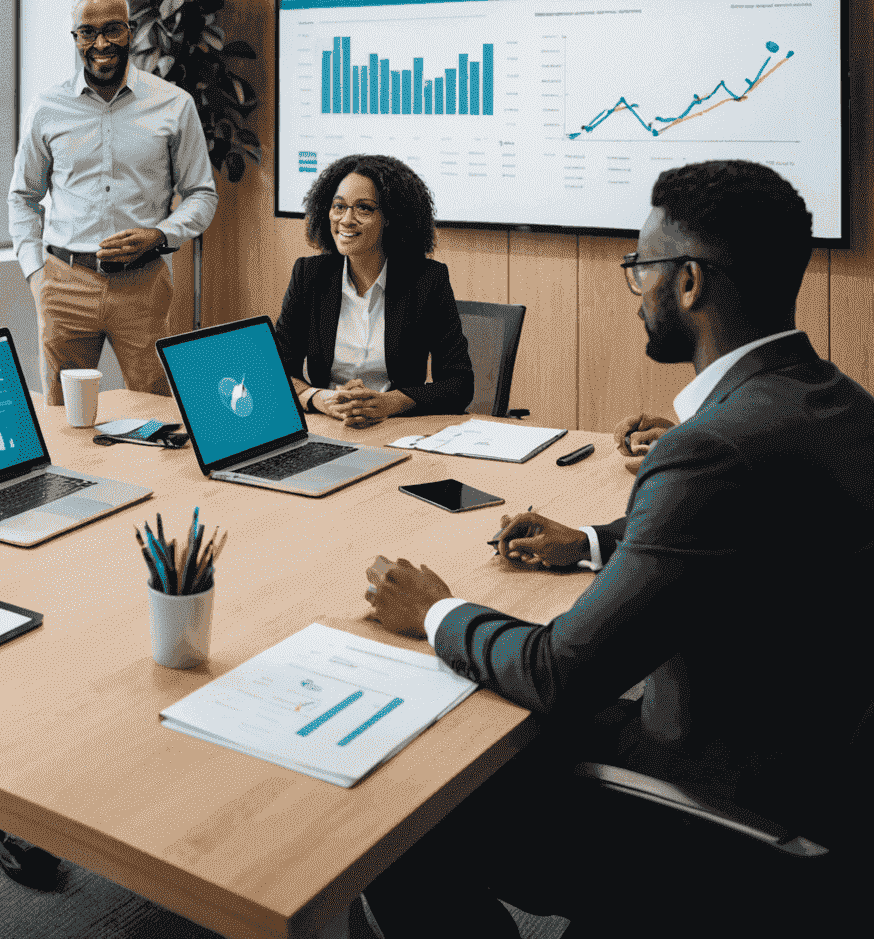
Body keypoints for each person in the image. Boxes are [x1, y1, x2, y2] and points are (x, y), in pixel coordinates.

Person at [358, 161, 874, 937]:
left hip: (716, 809)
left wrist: (437, 611)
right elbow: (748, 534)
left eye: (643, 268)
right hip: (811, 757)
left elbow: (559, 671)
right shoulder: (836, 401)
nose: (637, 289)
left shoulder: (712, 450)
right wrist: (593, 544)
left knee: (405, 810)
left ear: (691, 283)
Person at [9, 0, 218, 404]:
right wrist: (36, 275)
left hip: (142, 284)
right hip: (63, 283)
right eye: (87, 32)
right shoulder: (47, 107)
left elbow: (201, 194)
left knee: (155, 411)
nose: (100, 43)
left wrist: (160, 235)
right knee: (64, 418)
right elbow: (23, 197)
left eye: (111, 30)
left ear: (130, 30)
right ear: (75, 38)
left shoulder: (174, 104)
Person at [274, 153, 472, 424]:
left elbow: (459, 384)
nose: (346, 219)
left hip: (396, 427)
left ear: (390, 217)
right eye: (338, 206)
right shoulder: (309, 276)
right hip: (327, 426)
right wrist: (320, 399)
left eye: (364, 208)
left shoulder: (427, 280)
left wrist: (390, 402)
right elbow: (276, 371)